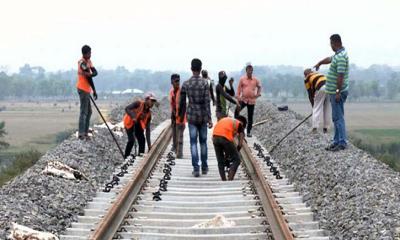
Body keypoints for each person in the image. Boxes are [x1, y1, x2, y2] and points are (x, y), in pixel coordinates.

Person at [314, 34, 349, 151]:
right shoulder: (338, 55)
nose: (331, 46)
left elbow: (340, 76)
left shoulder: (341, 57)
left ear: (336, 43)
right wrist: (319, 63)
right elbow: (329, 59)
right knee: (336, 117)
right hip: (334, 92)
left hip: (337, 92)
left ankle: (342, 142)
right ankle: (336, 141)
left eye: (331, 44)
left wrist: (338, 91)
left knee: (338, 118)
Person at [179, 58, 213, 177]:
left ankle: (196, 168)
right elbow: (207, 102)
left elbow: (182, 103)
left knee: (193, 143)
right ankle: (204, 167)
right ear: (200, 68)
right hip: (203, 116)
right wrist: (209, 119)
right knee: (203, 142)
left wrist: (180, 118)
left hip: (192, 116)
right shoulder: (205, 83)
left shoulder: (186, 83)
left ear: (191, 68)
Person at [212, 115, 247, 181]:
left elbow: (230, 142)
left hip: (215, 137)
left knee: (220, 161)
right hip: (224, 137)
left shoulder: (228, 121)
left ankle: (223, 179)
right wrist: (237, 150)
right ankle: (230, 179)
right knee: (237, 160)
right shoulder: (239, 124)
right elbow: (240, 143)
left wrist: (227, 154)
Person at [123, 92, 157, 157]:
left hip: (138, 124)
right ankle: (126, 156)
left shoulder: (149, 114)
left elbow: (148, 130)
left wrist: (149, 145)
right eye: (151, 100)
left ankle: (140, 156)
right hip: (129, 122)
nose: (153, 103)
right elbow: (127, 108)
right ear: (147, 100)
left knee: (142, 139)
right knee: (131, 140)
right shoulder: (138, 103)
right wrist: (133, 116)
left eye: (154, 101)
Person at [76, 45, 98, 140]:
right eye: (89, 53)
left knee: (89, 111)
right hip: (82, 88)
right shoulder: (82, 63)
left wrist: (94, 90)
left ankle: (85, 132)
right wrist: (91, 74)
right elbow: (89, 76)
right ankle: (81, 133)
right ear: (85, 54)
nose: (90, 54)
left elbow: (95, 73)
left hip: (87, 89)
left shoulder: (88, 62)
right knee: (84, 111)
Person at [235, 64, 262, 137]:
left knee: (250, 117)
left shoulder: (255, 80)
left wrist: (257, 94)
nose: (250, 72)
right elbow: (239, 89)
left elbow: (259, 87)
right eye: (248, 70)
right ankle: (237, 128)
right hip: (243, 99)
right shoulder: (242, 79)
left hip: (252, 101)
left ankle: (249, 132)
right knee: (236, 112)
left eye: (251, 70)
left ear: (252, 71)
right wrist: (238, 96)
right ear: (246, 71)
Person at [303, 69, 330, 134]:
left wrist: (313, 106)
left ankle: (314, 128)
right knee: (327, 108)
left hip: (321, 87)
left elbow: (310, 94)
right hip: (329, 87)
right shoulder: (319, 74)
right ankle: (326, 128)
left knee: (316, 108)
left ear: (306, 74)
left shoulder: (307, 79)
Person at [169, 74, 186, 158]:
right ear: (172, 82)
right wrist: (173, 116)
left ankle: (180, 154)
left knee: (180, 136)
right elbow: (172, 105)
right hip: (175, 117)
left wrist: (181, 118)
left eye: (178, 81)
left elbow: (184, 106)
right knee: (175, 134)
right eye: (176, 81)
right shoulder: (171, 92)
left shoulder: (182, 91)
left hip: (181, 117)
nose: (178, 83)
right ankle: (175, 149)